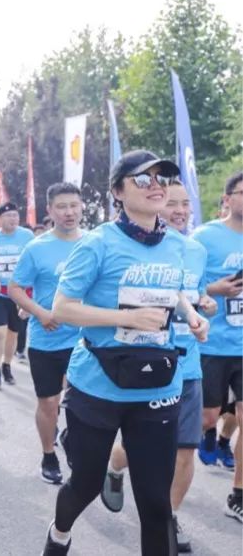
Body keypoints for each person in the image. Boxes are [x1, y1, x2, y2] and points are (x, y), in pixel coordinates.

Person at [41, 150, 209, 556]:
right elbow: (62, 308)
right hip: (97, 384)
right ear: (118, 191)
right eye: (143, 179)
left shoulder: (176, 245)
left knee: (155, 502)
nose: (157, 186)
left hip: (158, 384)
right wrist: (127, 318)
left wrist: (190, 313)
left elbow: (171, 290)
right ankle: (59, 533)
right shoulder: (98, 243)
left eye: (163, 179)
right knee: (85, 484)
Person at [98, 179, 218, 551]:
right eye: (172, 204)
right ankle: (115, 464)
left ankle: (170, 517)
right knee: (145, 448)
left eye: (185, 204)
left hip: (188, 365)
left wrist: (206, 304)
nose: (180, 211)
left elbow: (196, 295)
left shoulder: (195, 250)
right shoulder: (135, 248)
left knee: (185, 449)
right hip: (146, 364)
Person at [8, 182, 85, 485]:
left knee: (82, 402)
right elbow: (15, 288)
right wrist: (39, 313)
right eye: (62, 207)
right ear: (50, 210)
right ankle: (48, 454)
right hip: (47, 340)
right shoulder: (37, 248)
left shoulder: (93, 243)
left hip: (85, 340)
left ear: (82, 207)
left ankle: (71, 438)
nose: (69, 212)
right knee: (49, 403)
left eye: (74, 205)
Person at [191, 170, 243, 523]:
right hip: (213, 345)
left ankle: (237, 495)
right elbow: (185, 284)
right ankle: (138, 457)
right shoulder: (204, 237)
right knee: (207, 417)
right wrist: (214, 290)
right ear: (227, 198)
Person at [0, 202, 35, 389]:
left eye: (15, 215)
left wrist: (29, 295)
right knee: (0, 332)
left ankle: (7, 366)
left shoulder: (27, 236)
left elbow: (33, 263)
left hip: (19, 293)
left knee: (13, 333)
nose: (13, 219)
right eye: (8, 216)